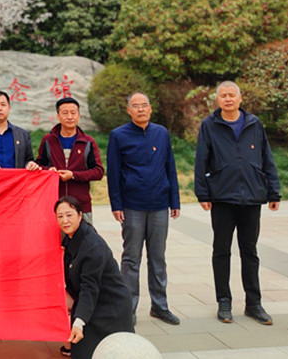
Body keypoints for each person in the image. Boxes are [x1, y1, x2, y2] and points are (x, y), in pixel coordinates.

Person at [195, 81, 281, 325]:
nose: (228, 99)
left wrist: (273, 192)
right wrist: (203, 194)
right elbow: (201, 160)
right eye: (223, 95)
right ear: (218, 100)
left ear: (240, 98)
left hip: (252, 196)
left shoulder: (254, 124)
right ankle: (224, 301)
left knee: (250, 252)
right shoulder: (209, 125)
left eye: (232, 95)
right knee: (221, 251)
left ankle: (254, 303)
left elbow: (267, 158)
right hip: (222, 197)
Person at [106, 92, 180, 326]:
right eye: (135, 106)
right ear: (128, 110)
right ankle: (127, 309)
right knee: (131, 259)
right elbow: (113, 172)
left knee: (158, 258)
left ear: (150, 108)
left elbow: (170, 167)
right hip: (132, 205)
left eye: (144, 105)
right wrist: (116, 204)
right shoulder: (119, 135)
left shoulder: (161, 133)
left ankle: (160, 306)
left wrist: (174, 200)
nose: (140, 109)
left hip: (159, 204)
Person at [55, 196, 133, 359]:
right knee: (83, 351)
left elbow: (89, 288)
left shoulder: (92, 246)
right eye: (60, 216)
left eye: (69, 215)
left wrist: (79, 322)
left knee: (114, 353)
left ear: (80, 215)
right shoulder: (72, 237)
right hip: (92, 302)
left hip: (110, 305)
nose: (65, 220)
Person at [34, 97, 104, 221]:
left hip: (81, 205)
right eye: (65, 113)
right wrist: (49, 171)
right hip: (54, 204)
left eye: (73, 113)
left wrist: (73, 175)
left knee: (83, 234)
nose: (70, 117)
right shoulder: (48, 140)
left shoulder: (88, 142)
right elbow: (39, 166)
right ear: (58, 116)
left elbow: (98, 172)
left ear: (78, 115)